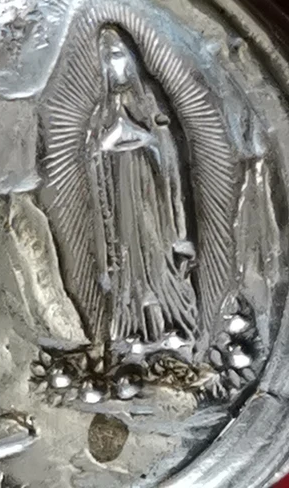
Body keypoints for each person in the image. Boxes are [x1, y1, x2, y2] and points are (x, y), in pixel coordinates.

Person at [86, 25, 198, 347]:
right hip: (121, 186)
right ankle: (134, 327)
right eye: (108, 58)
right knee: (129, 261)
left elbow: (165, 138)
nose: (114, 63)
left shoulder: (147, 96)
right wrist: (107, 143)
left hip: (148, 182)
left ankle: (174, 321)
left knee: (154, 249)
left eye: (118, 55)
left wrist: (142, 137)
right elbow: (93, 150)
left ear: (130, 57)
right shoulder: (103, 108)